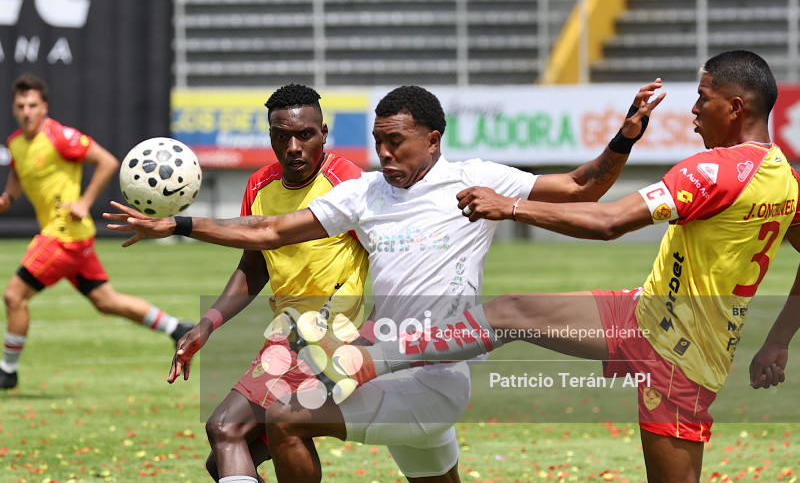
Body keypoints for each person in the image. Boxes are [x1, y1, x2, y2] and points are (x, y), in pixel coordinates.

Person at [105, 82, 662, 483]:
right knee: (238, 437)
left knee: (285, 420)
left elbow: (582, 187)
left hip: (436, 378)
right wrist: (178, 224)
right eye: (379, 142)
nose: (386, 154)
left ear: (434, 139)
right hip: (391, 370)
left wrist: (624, 138)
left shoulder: (474, 179)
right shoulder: (365, 193)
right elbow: (271, 230)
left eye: (398, 142)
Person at [301, 51, 800, 483]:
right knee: (511, 310)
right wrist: (778, 341)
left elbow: (607, 222)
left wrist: (511, 207)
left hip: (681, 360)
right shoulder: (785, 178)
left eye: (703, 98)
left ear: (735, 108)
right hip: (645, 313)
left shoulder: (710, 170)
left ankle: (376, 357)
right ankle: (376, 357)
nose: (692, 111)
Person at [168, 83, 370, 483]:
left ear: (324, 133)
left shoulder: (349, 182)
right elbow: (254, 267)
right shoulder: (260, 186)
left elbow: (388, 256)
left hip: (332, 338)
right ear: (271, 137)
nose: (293, 146)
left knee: (226, 429)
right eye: (282, 136)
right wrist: (206, 324)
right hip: (286, 338)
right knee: (227, 456)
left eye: (304, 135)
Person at [0, 73, 194, 390]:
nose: (26, 111)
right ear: (13, 108)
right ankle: (177, 327)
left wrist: (84, 201)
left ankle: (6, 371)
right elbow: (17, 182)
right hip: (75, 240)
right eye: (21, 105)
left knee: (13, 296)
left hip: (63, 235)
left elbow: (106, 161)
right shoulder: (16, 144)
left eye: (33, 105)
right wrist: (7, 199)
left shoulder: (60, 136)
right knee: (107, 301)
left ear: (44, 107)